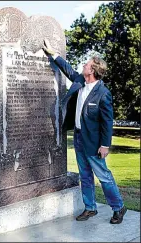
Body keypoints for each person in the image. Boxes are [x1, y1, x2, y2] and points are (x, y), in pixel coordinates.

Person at [42, 39, 127, 224]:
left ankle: (118, 207)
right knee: (85, 176)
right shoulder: (80, 80)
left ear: (93, 71)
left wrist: (105, 145)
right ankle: (90, 208)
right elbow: (68, 69)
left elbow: (107, 122)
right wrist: (53, 54)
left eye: (86, 64)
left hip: (95, 143)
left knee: (103, 176)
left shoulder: (103, 93)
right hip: (79, 138)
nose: (83, 65)